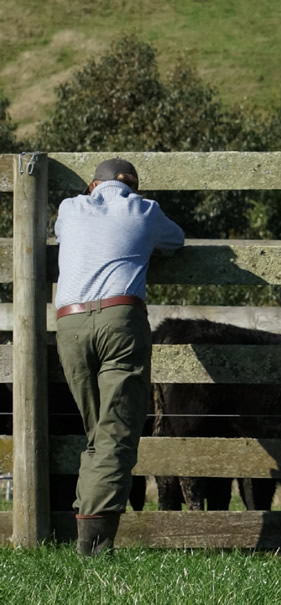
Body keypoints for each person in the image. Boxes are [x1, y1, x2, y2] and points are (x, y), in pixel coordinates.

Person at [54, 158, 186, 556]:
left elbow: (62, 234)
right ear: (134, 187)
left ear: (93, 185)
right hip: (120, 320)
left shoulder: (69, 208)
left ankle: (84, 522)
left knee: (98, 433)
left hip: (70, 324)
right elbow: (176, 241)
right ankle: (93, 546)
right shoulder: (145, 211)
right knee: (115, 437)